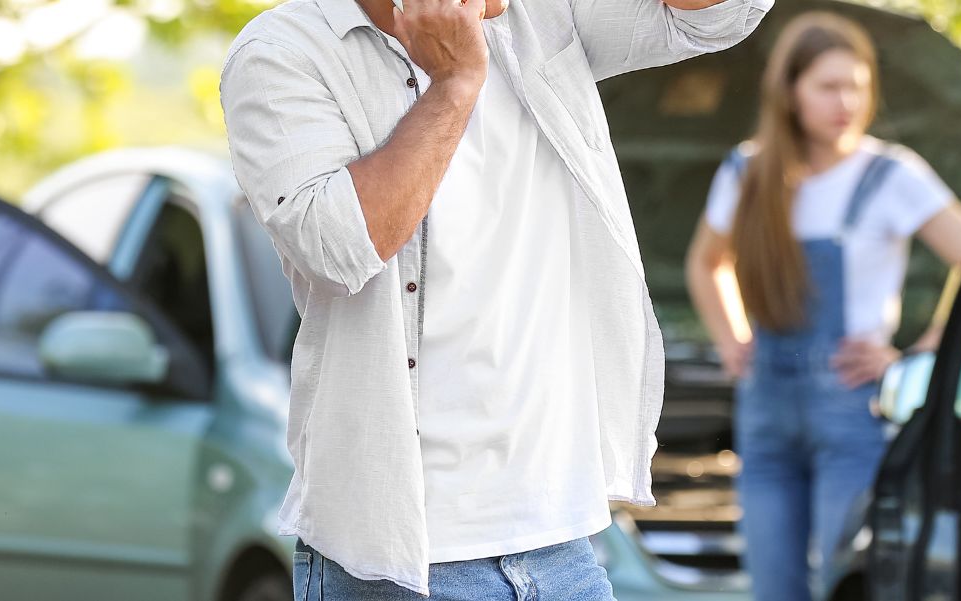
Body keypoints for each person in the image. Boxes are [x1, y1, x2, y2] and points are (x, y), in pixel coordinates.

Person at [219, 0, 768, 598]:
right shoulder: (280, 53)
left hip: (563, 546)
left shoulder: (542, 15)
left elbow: (714, 15)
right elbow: (340, 248)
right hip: (401, 563)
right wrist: (455, 84)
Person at [683, 12, 961, 600]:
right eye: (827, 86)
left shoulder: (891, 175)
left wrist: (921, 353)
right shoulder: (748, 171)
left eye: (857, 86)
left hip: (853, 414)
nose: (845, 101)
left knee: (846, 583)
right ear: (790, 92)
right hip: (764, 412)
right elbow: (705, 262)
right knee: (774, 586)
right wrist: (732, 340)